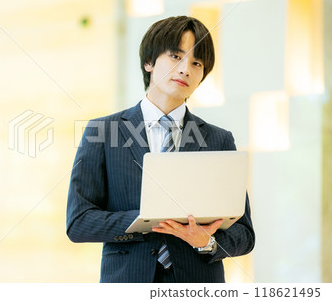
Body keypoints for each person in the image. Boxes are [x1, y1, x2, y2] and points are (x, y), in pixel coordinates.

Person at [66, 16, 255, 283]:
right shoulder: (103, 132)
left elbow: (245, 235)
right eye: (176, 57)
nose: (185, 69)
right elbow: (79, 223)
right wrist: (147, 220)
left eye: (196, 63)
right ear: (149, 62)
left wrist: (207, 242)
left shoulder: (218, 140)